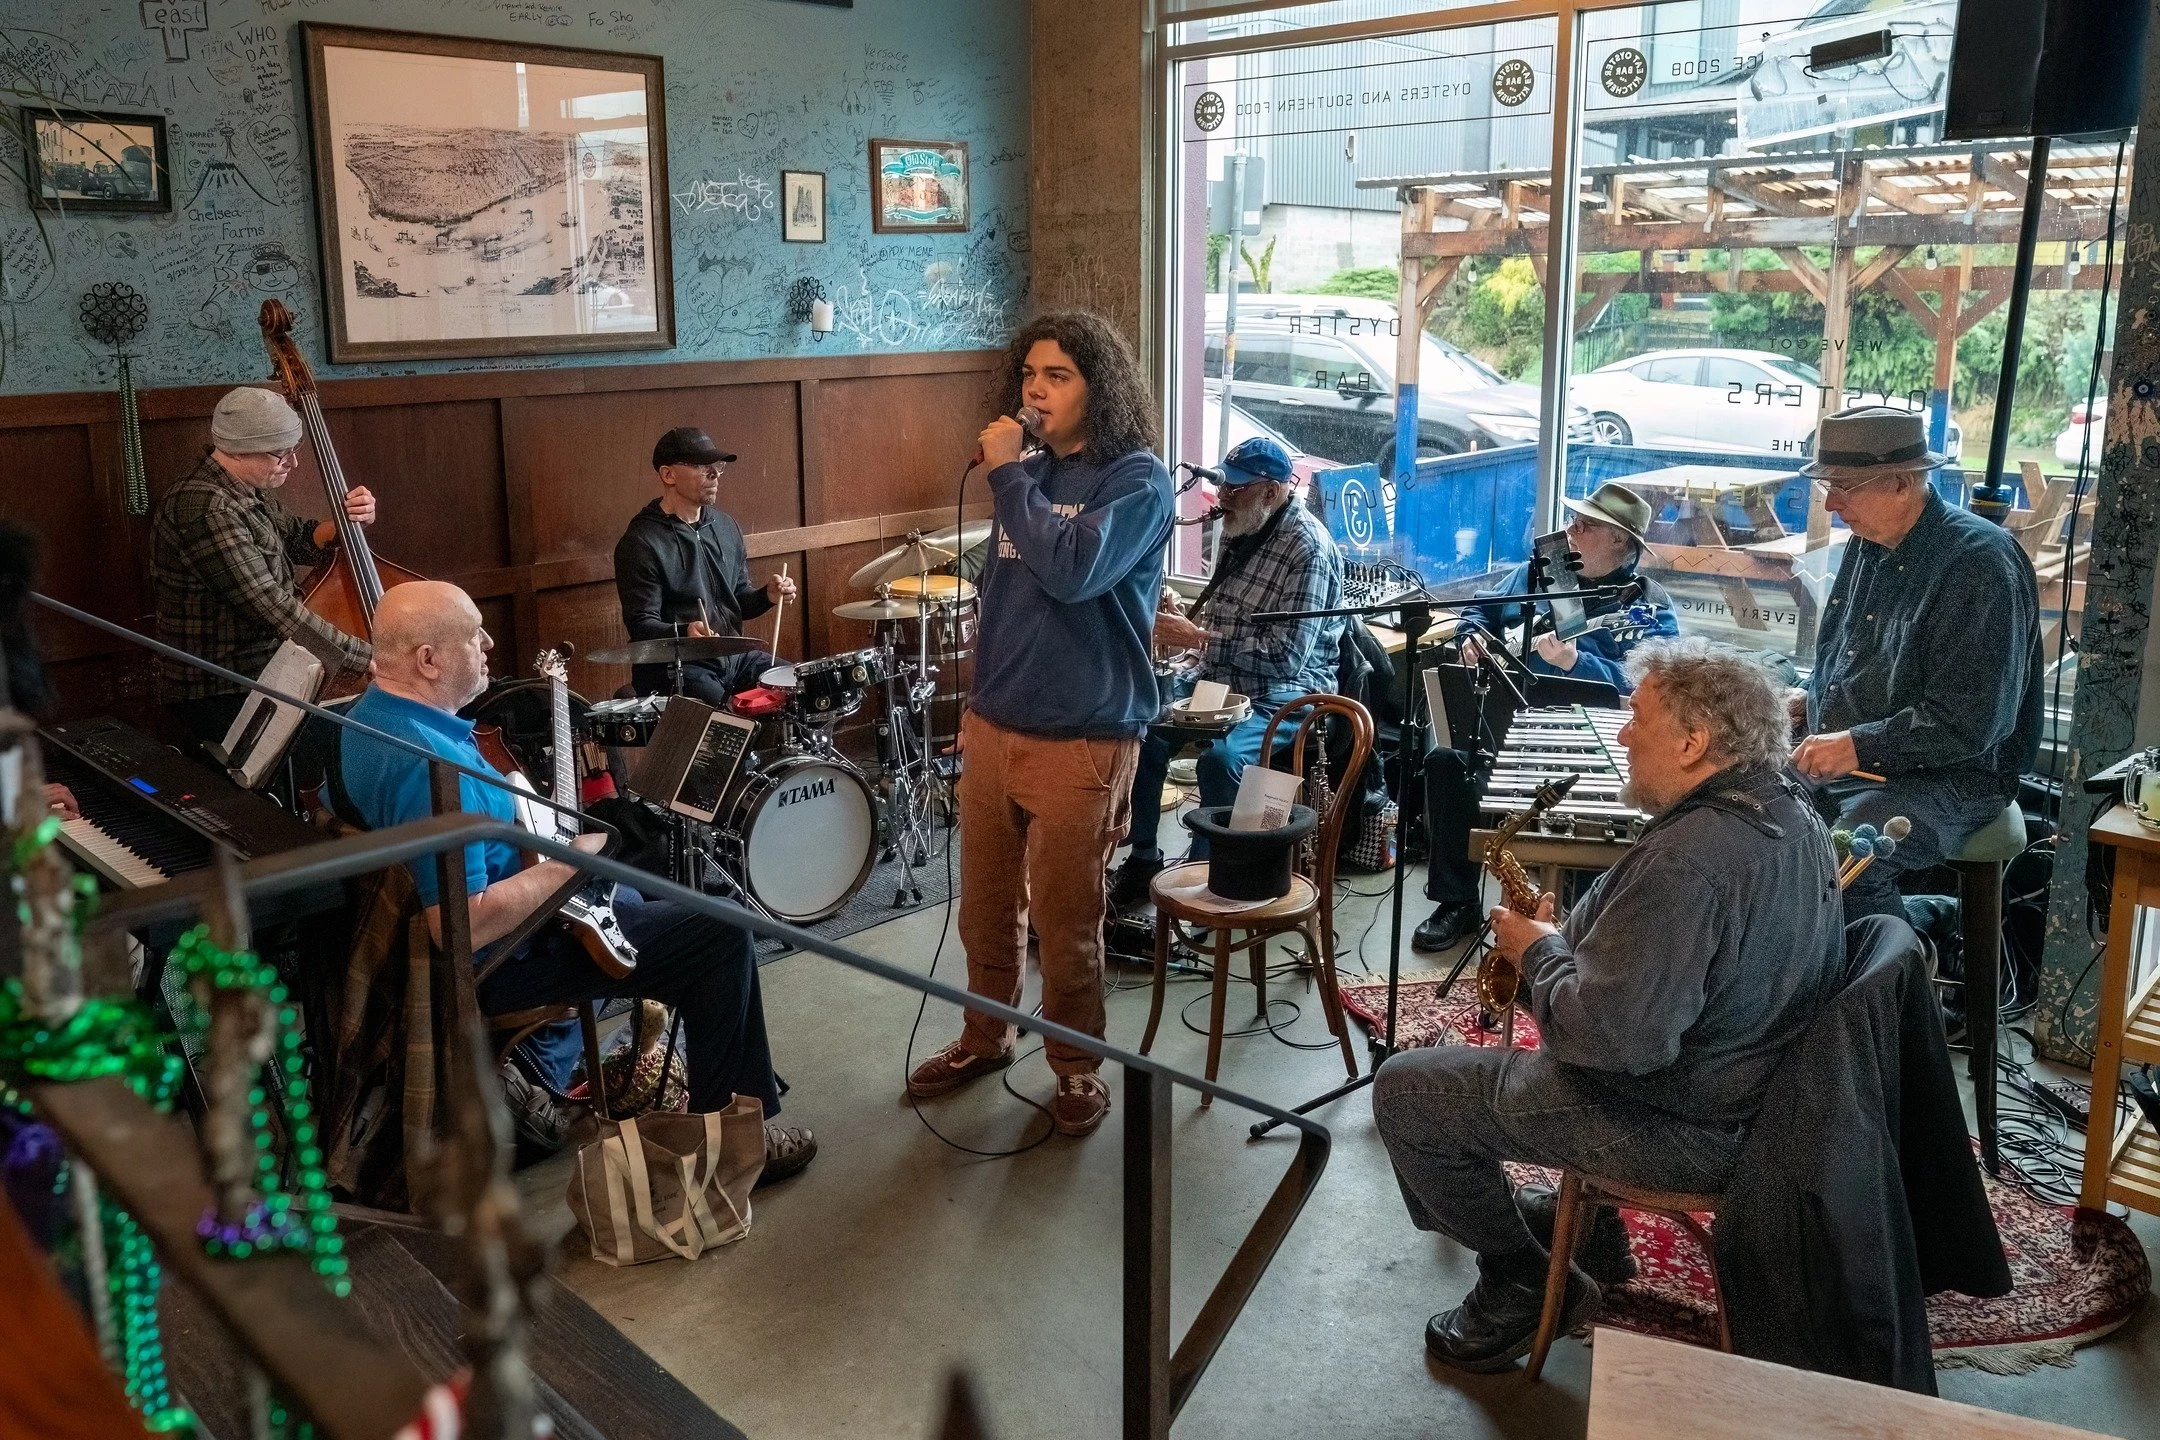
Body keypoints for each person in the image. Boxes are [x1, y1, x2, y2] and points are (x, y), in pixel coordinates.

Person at [1373, 638, 1844, 1372]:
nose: (1622, 734)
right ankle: (1585, 1234)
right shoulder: (1787, 809)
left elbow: (1613, 1043)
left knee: (1406, 1090)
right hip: (1751, 1096)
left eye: (1638, 720)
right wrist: (1574, 940)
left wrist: (1538, 952)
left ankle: (1524, 1280)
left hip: (1679, 1119)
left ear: (1693, 744)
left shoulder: (1690, 863)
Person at [338, 581, 816, 1181]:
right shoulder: (433, 768)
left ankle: (732, 1078)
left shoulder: (366, 721)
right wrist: (571, 863)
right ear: (428, 660)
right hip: (503, 957)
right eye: (473, 635)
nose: (489, 643)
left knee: (668, 900)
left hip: (515, 919)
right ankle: (738, 1140)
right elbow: (462, 922)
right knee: (721, 932)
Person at [905, 311, 1174, 1137]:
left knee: (1065, 919)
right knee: (984, 909)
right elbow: (1011, 604)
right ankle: (985, 1037)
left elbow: (1069, 570)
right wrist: (981, 710)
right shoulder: (1027, 476)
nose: (1034, 389)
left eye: (1057, 375)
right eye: (1029, 374)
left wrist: (1007, 479)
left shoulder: (1136, 481)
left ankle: (1075, 1068)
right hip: (997, 728)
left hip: (1084, 736)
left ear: (1102, 386)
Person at [1790, 405, 2042, 922]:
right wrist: (1810, 698)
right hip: (1867, 759)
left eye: (1844, 486)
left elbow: (1973, 723)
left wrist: (1858, 742)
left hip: (1957, 775)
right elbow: (1850, 656)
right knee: (1747, 821)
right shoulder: (1870, 541)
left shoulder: (1979, 562)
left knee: (1842, 858)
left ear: (1902, 483)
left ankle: (1906, 961)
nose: (1832, 504)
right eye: (1826, 487)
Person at [1412, 482, 1677, 952]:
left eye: (1584, 525)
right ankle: (1458, 902)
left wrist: (1579, 664)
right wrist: (1470, 638)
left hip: (1586, 740)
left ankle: (1571, 916)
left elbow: (1652, 687)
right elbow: (1481, 608)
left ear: (1620, 540)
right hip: (1507, 717)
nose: (1569, 530)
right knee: (1447, 760)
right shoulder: (1544, 569)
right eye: (1574, 520)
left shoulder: (1647, 605)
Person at [1108, 436, 1343, 908]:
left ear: (1273, 493)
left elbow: (1286, 659)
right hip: (1223, 677)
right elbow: (1223, 622)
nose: (1223, 497)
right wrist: (1190, 631)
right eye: (1224, 485)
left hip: (1288, 691)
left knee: (1221, 761)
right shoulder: (1242, 526)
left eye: (1237, 489)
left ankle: (1209, 876)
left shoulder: (1308, 550)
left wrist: (1196, 639)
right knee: (1142, 726)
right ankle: (1145, 858)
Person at [151, 386, 375, 747]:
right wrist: (365, 656)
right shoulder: (205, 506)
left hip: (264, 675)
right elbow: (271, 607)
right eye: (281, 454)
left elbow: (299, 537)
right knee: (353, 741)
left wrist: (346, 523)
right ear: (240, 449)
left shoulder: (243, 488)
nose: (293, 463)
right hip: (224, 689)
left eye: (294, 450)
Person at [613, 426, 798, 704]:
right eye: (701, 465)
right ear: (668, 474)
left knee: (803, 689)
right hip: (679, 667)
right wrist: (685, 631)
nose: (714, 473)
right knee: (728, 721)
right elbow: (641, 625)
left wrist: (766, 596)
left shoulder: (725, 526)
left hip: (734, 658)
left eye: (717, 466)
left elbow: (737, 600)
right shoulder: (641, 542)